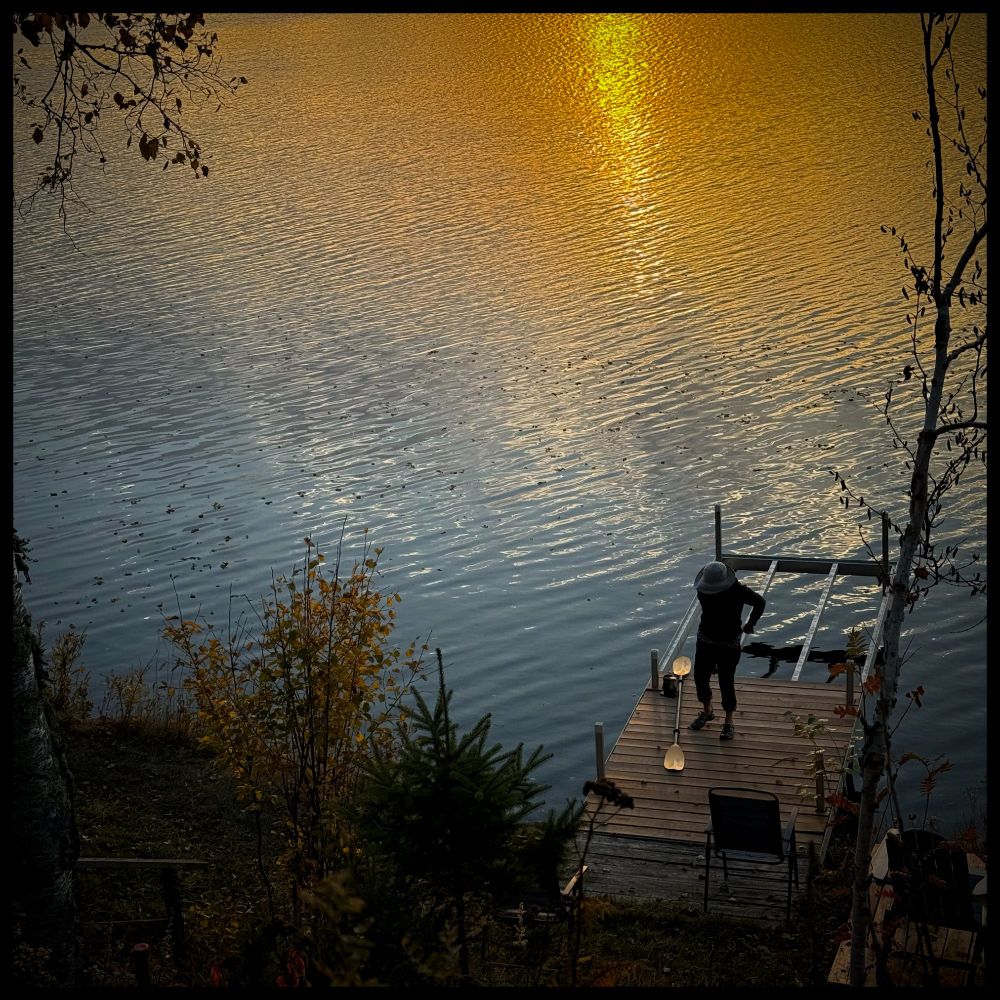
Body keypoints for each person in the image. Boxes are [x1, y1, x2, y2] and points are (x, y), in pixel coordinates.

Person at [688, 560, 766, 741]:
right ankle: (707, 710)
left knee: (726, 681)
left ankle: (729, 721)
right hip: (706, 639)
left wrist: (750, 624)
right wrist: (749, 625)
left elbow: (760, 602)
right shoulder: (703, 592)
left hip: (729, 643)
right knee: (700, 677)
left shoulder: (738, 591)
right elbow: (760, 603)